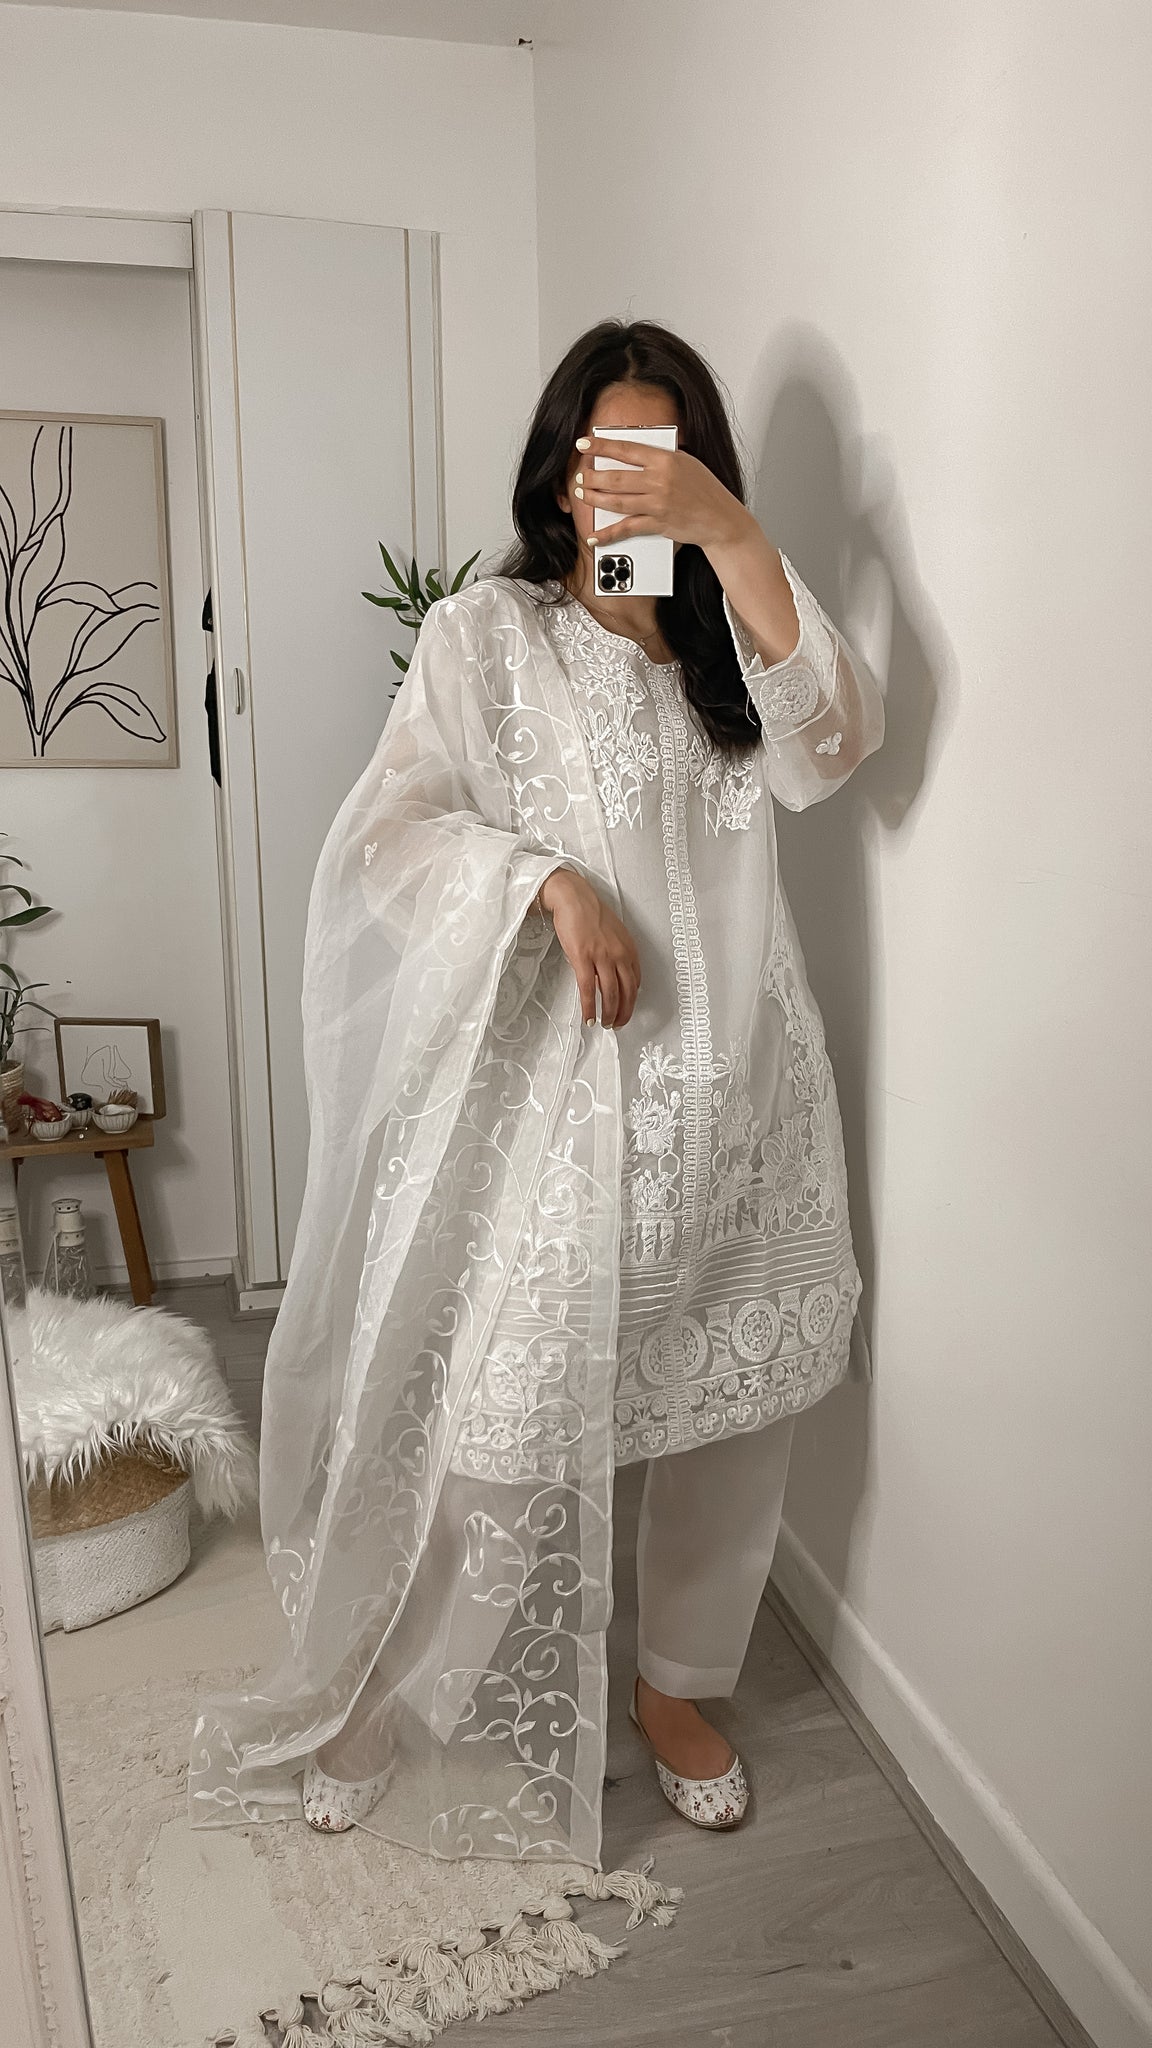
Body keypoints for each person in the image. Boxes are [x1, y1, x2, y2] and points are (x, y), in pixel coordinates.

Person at [188, 319, 884, 1870]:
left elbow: (835, 748)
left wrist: (733, 539)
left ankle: (678, 1685)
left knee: (732, 1424)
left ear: (701, 472)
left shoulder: (732, 641)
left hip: (748, 1105)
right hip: (575, 1113)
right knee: (495, 1420)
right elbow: (387, 837)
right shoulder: (487, 636)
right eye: (600, 456)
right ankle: (384, 1681)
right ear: (558, 473)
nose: (622, 487)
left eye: (660, 458)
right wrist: (545, 881)